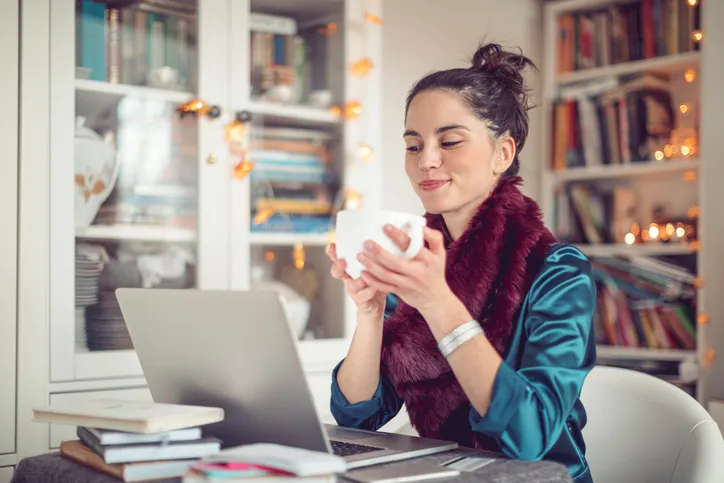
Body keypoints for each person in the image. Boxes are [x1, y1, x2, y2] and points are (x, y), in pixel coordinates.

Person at [326, 42, 597, 483]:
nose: (426, 161)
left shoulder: (558, 270)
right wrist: (370, 312)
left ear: (503, 154)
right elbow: (358, 417)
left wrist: (438, 303)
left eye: (449, 141)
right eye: (414, 146)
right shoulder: (418, 259)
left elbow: (529, 437)